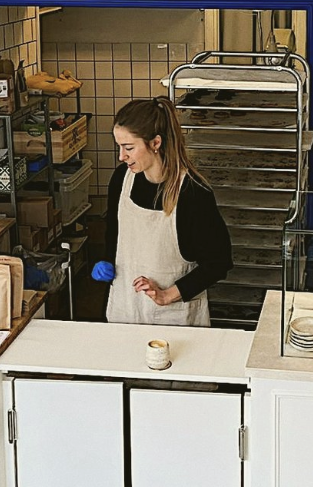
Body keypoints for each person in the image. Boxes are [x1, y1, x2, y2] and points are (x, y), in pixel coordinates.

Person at [91, 97, 232, 326]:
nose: (121, 156)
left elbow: (218, 262)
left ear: (155, 143)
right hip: (125, 309)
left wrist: (168, 295)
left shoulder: (192, 193)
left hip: (174, 318)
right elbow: (114, 233)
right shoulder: (122, 180)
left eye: (129, 148)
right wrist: (106, 260)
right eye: (119, 147)